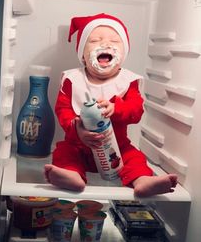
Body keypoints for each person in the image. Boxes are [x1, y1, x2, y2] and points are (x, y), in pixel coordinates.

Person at [44, 13, 177, 196]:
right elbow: (63, 109)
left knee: (134, 157)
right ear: (82, 53)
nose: (105, 44)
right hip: (79, 144)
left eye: (115, 41)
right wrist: (77, 131)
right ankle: (71, 176)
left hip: (117, 149)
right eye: (95, 40)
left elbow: (136, 111)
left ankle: (143, 181)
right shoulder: (72, 79)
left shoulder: (128, 81)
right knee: (64, 152)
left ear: (124, 54)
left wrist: (116, 108)